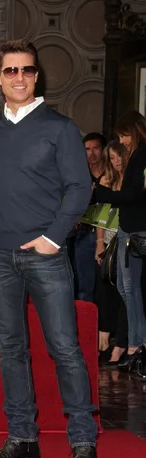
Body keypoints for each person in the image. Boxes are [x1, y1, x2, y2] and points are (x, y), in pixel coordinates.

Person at [0, 39, 99, 458]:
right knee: (11, 350)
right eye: (11, 71)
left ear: (36, 75)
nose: (20, 78)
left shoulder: (60, 128)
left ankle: (83, 441)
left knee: (65, 348)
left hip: (46, 255)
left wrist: (53, 236)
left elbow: (80, 188)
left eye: (27, 70)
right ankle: (22, 437)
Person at [93, 111, 146, 379]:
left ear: (134, 131)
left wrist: (100, 193)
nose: (121, 141)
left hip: (137, 229)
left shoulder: (142, 155)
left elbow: (135, 195)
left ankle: (137, 345)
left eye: (124, 135)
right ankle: (135, 345)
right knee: (127, 290)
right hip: (129, 228)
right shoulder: (137, 156)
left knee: (132, 291)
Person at [94, 140, 128, 364]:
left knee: (125, 292)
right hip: (108, 239)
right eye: (111, 158)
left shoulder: (134, 180)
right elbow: (100, 214)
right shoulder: (108, 180)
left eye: (118, 156)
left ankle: (121, 342)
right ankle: (103, 339)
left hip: (127, 239)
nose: (115, 162)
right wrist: (99, 242)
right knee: (103, 286)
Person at [73, 133, 106, 302]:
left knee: (107, 284)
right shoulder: (79, 174)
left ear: (103, 150)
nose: (92, 154)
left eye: (96, 148)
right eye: (87, 149)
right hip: (84, 232)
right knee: (84, 285)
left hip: (108, 233)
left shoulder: (112, 172)